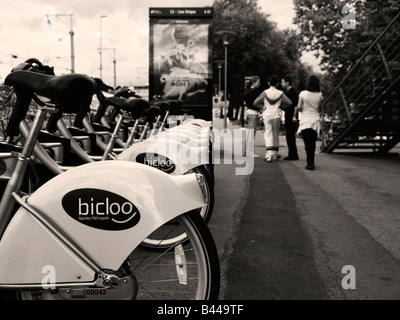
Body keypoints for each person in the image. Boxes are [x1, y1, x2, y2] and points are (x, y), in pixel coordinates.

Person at [254, 75, 292, 162]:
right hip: (276, 115)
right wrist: (281, 106)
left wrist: (262, 107)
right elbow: (289, 102)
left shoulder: (265, 92)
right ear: (278, 84)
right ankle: (274, 153)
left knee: (268, 133)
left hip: (267, 115)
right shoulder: (280, 93)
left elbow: (255, 102)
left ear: (268, 83)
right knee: (275, 133)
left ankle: (268, 153)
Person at [296, 75, 323, 170]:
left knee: (307, 143)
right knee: (313, 143)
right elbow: (320, 108)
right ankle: (312, 162)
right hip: (315, 120)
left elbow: (299, 107)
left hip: (305, 120)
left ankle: (309, 162)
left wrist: (302, 109)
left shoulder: (303, 93)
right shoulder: (320, 95)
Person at [281, 76, 299, 160]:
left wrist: (294, 116)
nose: (281, 84)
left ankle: (293, 154)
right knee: (290, 135)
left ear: (287, 82)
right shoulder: (289, 91)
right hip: (289, 115)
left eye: (283, 82)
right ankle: (292, 153)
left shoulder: (291, 92)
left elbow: (295, 105)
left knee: (290, 135)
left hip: (291, 116)